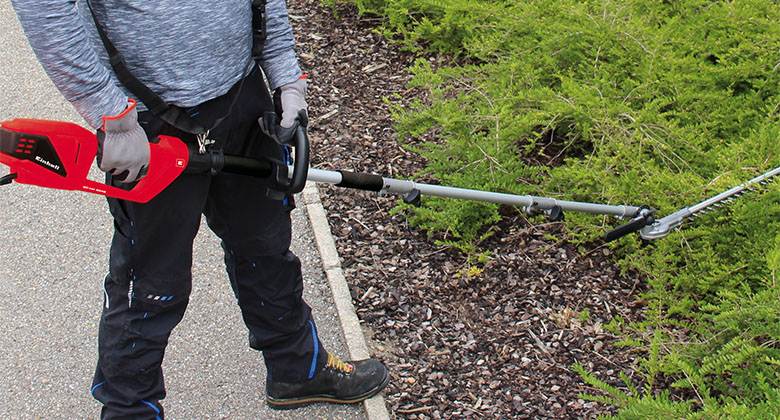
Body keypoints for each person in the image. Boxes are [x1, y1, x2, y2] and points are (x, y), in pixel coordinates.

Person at [10, 0, 389, 417]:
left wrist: (285, 76)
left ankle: (297, 367)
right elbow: (46, 8)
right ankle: (129, 410)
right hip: (146, 123)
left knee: (265, 244)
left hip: (244, 99)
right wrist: (111, 113)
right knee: (151, 278)